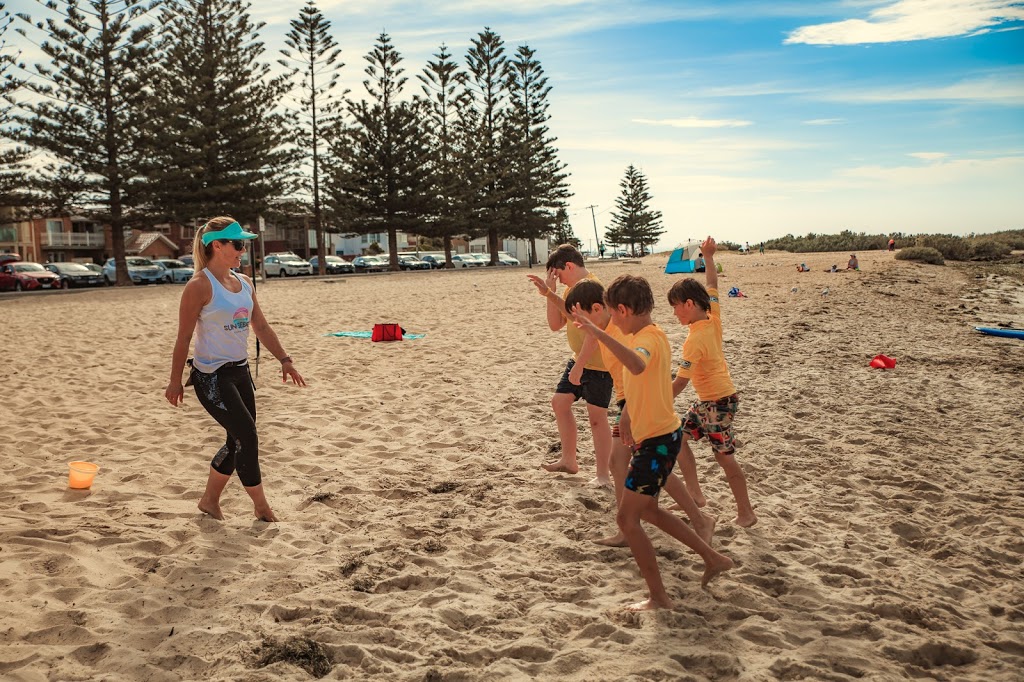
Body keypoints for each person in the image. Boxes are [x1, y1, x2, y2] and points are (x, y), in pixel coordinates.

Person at [571, 275, 733, 610]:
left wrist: (597, 332)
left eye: (614, 315)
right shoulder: (648, 334)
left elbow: (638, 363)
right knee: (649, 512)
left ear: (625, 310)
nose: (613, 321)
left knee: (627, 520)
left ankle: (659, 597)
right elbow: (641, 383)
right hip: (654, 437)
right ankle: (712, 557)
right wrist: (628, 414)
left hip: (658, 441)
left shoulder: (647, 339)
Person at [165, 217, 306, 522]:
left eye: (244, 243)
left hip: (240, 374)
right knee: (248, 438)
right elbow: (183, 337)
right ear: (217, 245)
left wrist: (284, 359)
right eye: (238, 243)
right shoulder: (199, 286)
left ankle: (209, 501)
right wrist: (174, 381)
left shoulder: (244, 282)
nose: (243, 249)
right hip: (211, 378)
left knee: (237, 440)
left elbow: (262, 326)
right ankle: (261, 506)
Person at [566, 281, 715, 548]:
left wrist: (628, 412)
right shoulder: (612, 325)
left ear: (611, 309)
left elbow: (637, 366)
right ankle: (644, 523)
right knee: (632, 465)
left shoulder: (625, 331)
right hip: (629, 406)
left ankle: (636, 524)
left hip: (636, 409)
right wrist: (548, 294)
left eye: (584, 316)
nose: (580, 323)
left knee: (638, 466)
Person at [668, 236, 757, 528]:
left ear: (690, 304)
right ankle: (695, 493)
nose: (674, 313)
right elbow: (713, 285)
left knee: (725, 459)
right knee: (679, 438)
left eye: (676, 307)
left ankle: (746, 512)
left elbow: (680, 382)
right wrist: (708, 256)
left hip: (718, 403)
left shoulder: (695, 340)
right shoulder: (712, 316)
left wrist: (656, 400)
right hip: (710, 401)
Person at [527, 245, 612, 485]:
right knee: (560, 403)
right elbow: (555, 324)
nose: (558, 281)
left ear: (570, 266)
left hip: (599, 366)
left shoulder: (592, 289)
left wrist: (580, 366)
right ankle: (569, 460)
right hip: (579, 359)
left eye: (558, 275)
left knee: (597, 419)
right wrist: (550, 292)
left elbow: (593, 333)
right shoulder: (569, 291)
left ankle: (603, 475)